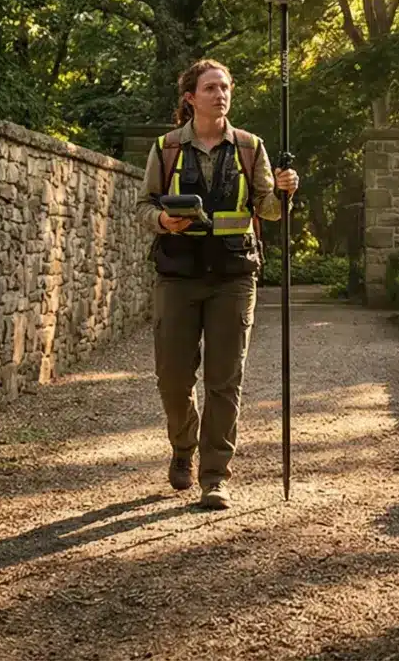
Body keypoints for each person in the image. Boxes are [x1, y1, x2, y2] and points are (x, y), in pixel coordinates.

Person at [141, 58, 298, 509]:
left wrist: (286, 191)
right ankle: (182, 447)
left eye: (226, 87)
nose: (221, 94)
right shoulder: (166, 148)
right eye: (211, 88)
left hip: (233, 276)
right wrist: (161, 220)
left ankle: (215, 476)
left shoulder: (250, 147)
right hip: (177, 275)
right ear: (191, 97)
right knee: (173, 378)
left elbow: (267, 210)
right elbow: (140, 206)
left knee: (224, 380)